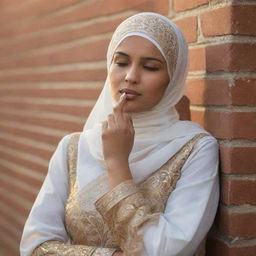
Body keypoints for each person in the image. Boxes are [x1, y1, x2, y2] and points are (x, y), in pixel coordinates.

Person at [20, 12, 219, 256]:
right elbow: (34, 247)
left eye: (150, 67)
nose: (131, 76)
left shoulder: (195, 149)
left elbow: (168, 249)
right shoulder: (73, 149)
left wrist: (117, 162)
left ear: (173, 78)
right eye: (121, 62)